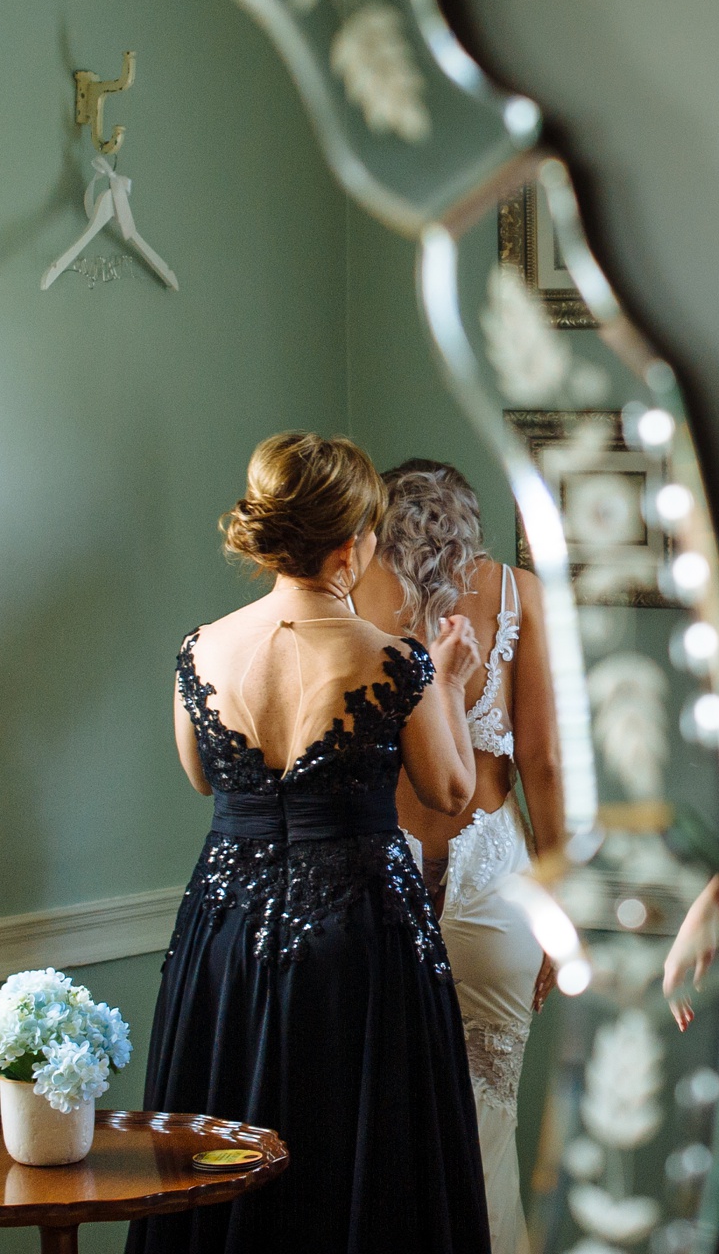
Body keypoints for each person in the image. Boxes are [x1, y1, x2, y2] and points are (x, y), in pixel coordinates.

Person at [128, 432, 493, 1254]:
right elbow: (452, 792)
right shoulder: (396, 662)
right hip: (361, 939)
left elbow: (201, 777)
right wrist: (451, 684)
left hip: (223, 934)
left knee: (223, 1149)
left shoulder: (201, 648)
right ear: (353, 542)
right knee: (358, 1160)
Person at [352, 459, 564, 1254]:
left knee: (384, 1127)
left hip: (380, 876)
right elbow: (542, 762)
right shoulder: (518, 594)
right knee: (489, 1123)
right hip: (495, 879)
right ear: (469, 526)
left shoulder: (353, 598)